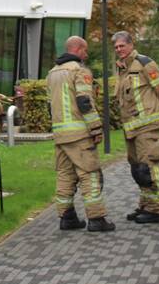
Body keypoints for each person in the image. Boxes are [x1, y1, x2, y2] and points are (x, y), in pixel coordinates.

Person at [46, 36, 115, 232]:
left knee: (65, 175)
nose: (86, 54)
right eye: (85, 51)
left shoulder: (52, 73)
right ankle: (96, 218)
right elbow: (85, 102)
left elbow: (49, 105)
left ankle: (67, 217)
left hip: (60, 135)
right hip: (79, 135)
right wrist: (96, 129)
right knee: (89, 174)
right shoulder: (79, 71)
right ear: (77, 49)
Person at [112, 31, 159, 224]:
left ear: (131, 44)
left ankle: (156, 210)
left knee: (150, 166)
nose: (118, 50)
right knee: (138, 169)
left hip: (147, 126)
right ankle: (146, 205)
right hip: (131, 128)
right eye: (116, 47)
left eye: (122, 46)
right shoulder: (122, 68)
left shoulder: (145, 63)